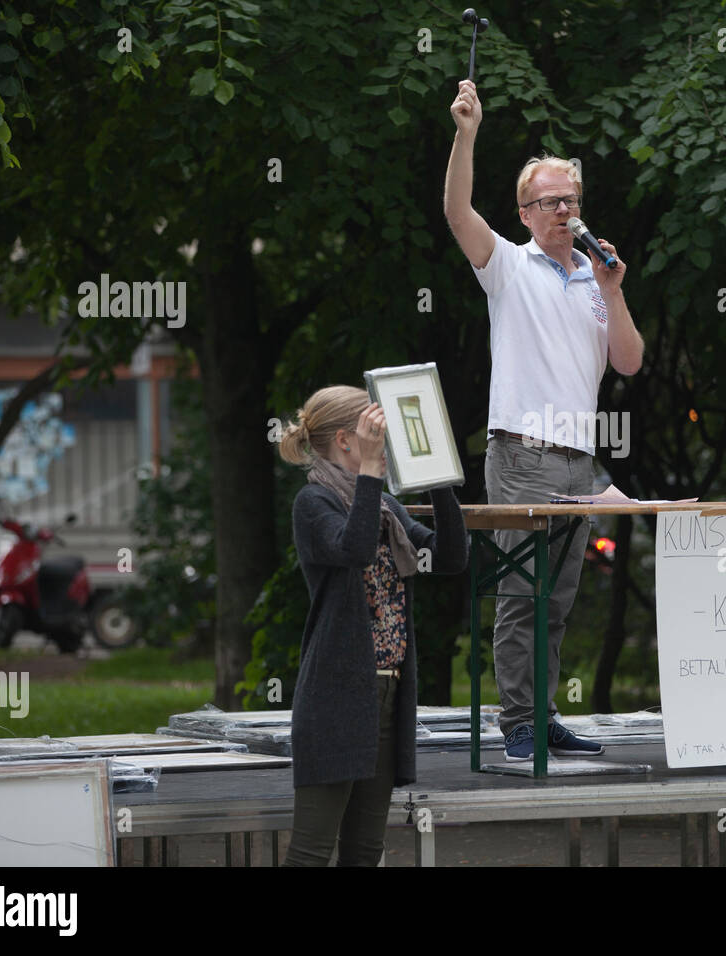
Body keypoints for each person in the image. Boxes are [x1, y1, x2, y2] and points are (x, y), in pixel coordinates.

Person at [443, 79, 644, 761]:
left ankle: (544, 711)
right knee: (521, 594)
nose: (565, 210)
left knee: (557, 598)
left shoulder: (595, 278)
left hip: (578, 459)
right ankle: (516, 725)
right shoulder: (509, 265)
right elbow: (456, 210)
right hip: (524, 454)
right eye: (552, 202)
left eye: (572, 200)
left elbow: (630, 361)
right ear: (526, 212)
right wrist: (466, 134)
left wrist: (613, 291)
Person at [278, 385, 467, 866]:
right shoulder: (314, 502)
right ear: (347, 439)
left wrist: (438, 475)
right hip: (335, 697)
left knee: (365, 851)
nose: (385, 441)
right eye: (374, 430)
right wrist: (370, 475)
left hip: (386, 696)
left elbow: (448, 558)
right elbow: (354, 549)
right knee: (311, 851)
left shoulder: (383, 507)